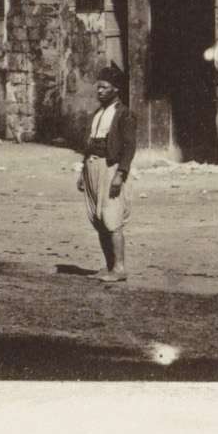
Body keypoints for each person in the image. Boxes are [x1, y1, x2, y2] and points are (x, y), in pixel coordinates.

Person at [80, 63, 136, 283]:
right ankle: (109, 265)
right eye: (99, 87)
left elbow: (129, 147)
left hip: (110, 167)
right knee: (99, 219)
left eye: (104, 87)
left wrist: (120, 174)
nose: (100, 91)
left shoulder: (124, 115)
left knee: (112, 218)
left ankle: (120, 268)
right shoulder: (98, 113)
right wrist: (83, 172)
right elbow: (90, 144)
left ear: (116, 89)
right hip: (92, 167)